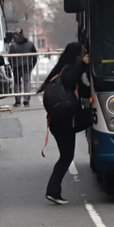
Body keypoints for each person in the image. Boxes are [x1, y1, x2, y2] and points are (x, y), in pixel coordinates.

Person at [39, 42, 89, 205]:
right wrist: (83, 65)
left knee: (66, 156)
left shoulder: (63, 69)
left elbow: (83, 91)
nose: (85, 54)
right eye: (83, 52)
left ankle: (53, 191)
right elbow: (70, 79)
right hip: (65, 122)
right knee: (66, 157)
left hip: (60, 121)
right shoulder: (68, 70)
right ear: (77, 55)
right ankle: (53, 191)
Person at [9, 28, 38, 107]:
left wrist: (12, 66)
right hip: (27, 66)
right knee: (27, 83)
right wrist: (32, 65)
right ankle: (26, 101)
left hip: (16, 67)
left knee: (17, 83)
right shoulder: (30, 44)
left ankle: (18, 101)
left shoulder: (13, 45)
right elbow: (35, 56)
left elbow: (10, 58)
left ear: (16, 35)